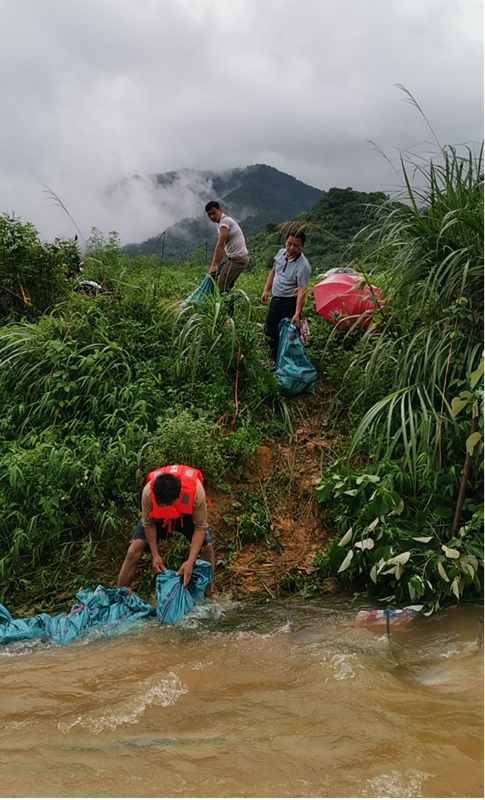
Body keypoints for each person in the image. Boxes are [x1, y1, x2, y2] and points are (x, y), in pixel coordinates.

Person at [117, 464, 215, 596]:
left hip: (186, 516)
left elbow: (200, 527)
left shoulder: (196, 492)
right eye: (161, 503)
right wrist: (155, 555)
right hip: (158, 518)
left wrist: (191, 561)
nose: (165, 506)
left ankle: (210, 594)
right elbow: (148, 523)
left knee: (208, 548)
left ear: (178, 495)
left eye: (168, 504)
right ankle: (119, 595)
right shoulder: (148, 493)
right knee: (133, 550)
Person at [261, 229, 311, 358]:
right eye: (289, 244)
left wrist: (297, 313)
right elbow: (273, 272)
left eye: (296, 245)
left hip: (289, 303)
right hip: (275, 300)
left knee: (287, 335)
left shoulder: (303, 266)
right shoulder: (280, 254)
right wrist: (266, 290)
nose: (292, 248)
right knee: (271, 331)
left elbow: (302, 290)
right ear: (285, 242)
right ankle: (273, 360)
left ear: (303, 246)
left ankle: (285, 362)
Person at [205, 201, 249, 293]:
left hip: (238, 259)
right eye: (209, 215)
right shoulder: (221, 223)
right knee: (227, 287)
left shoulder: (224, 222)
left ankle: (223, 306)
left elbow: (220, 245)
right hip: (239, 258)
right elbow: (222, 246)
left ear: (220, 210)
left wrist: (214, 266)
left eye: (213, 213)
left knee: (222, 286)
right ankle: (229, 306)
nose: (212, 217)